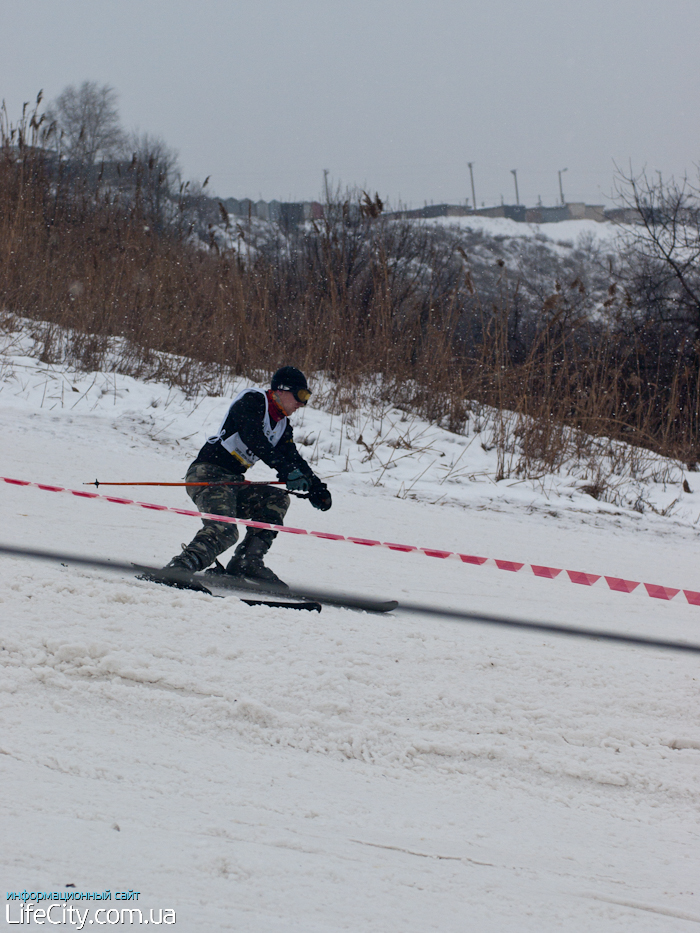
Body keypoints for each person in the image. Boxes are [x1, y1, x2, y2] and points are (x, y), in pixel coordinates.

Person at [163, 366, 331, 589]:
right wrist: (284, 470)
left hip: (233, 481)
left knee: (276, 500)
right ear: (280, 390)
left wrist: (316, 488)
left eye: (307, 397)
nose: (302, 403)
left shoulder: (282, 426)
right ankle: (180, 568)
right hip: (208, 474)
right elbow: (253, 437)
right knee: (225, 531)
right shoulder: (252, 401)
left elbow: (293, 459)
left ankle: (246, 562)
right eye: (301, 395)